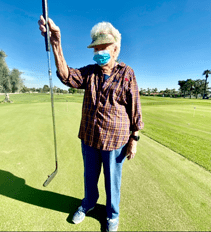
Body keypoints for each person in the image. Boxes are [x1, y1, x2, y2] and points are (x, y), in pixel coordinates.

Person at [38, 16, 144, 231]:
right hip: (89, 137)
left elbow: (135, 109)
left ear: (115, 49)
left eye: (104, 47)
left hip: (116, 140)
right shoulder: (90, 72)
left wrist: (134, 139)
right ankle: (88, 204)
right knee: (89, 177)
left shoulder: (127, 74)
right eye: (96, 48)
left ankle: (112, 214)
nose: (99, 52)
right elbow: (67, 77)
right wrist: (56, 44)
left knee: (112, 181)